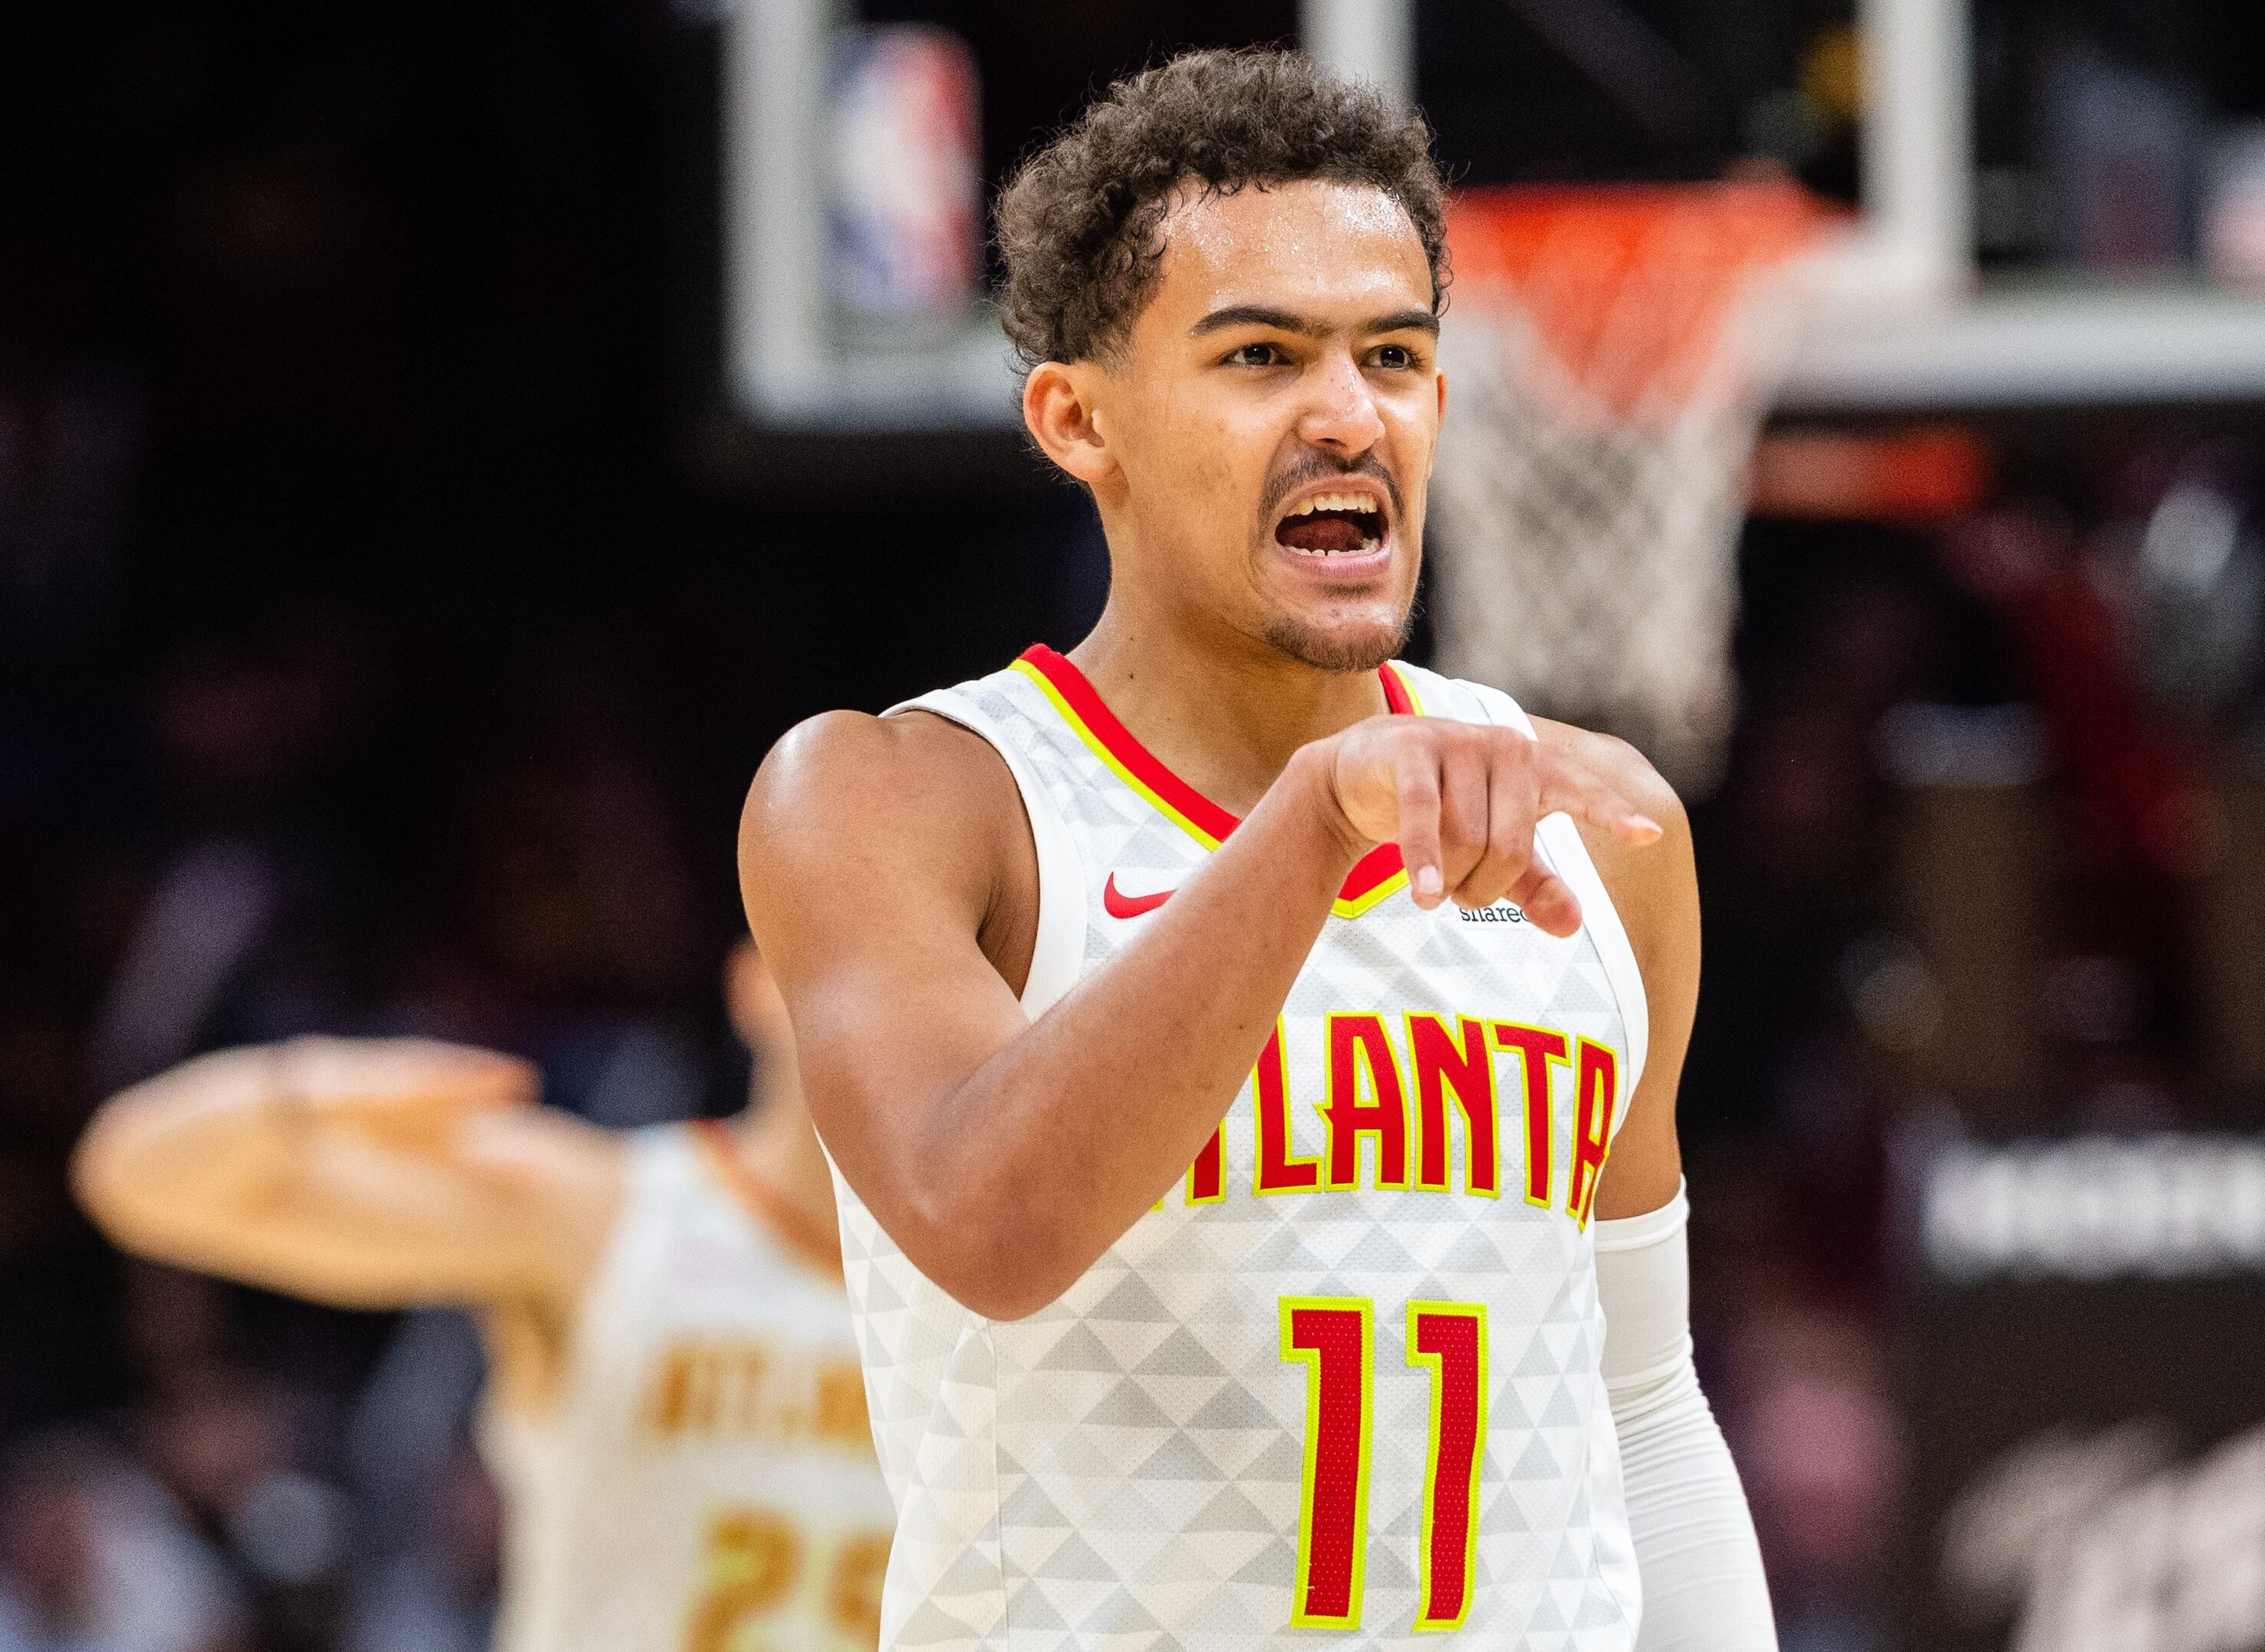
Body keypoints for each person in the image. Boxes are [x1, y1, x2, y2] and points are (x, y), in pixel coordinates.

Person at [739, 47, 1772, 1650]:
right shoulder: (907, 799)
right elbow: (989, 1227)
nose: (1348, 415)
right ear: (1081, 421)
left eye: (1397, 355)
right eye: (1262, 355)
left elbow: (1642, 1409)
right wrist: (1308, 827)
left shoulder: (1599, 834)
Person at [70, 945, 890, 1652]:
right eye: (852, 948)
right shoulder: (606, 1210)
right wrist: (314, 1081)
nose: (883, 1000)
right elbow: (135, 1179)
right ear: (753, 981)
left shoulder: (997, 1305)